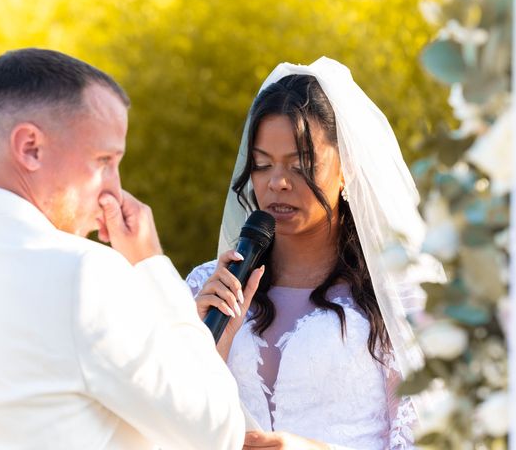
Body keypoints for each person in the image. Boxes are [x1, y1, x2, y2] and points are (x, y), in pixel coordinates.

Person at [0, 48, 246, 449]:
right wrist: (151, 264)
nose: (114, 188)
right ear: (30, 147)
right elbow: (215, 431)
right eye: (104, 160)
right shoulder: (84, 274)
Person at [187, 58, 444, 449]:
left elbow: (431, 441)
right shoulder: (208, 287)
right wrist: (208, 347)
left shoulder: (400, 291)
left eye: (301, 164)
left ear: (347, 169)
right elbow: (165, 428)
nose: (277, 183)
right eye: (262, 165)